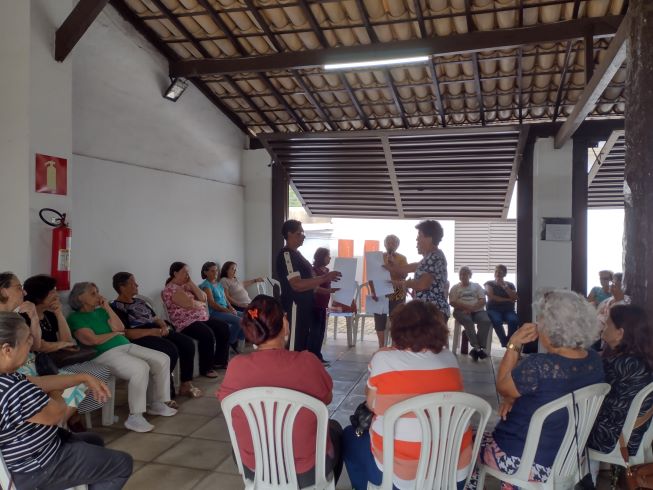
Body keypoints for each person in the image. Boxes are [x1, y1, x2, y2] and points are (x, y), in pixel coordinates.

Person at [466, 290, 604, 489]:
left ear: (551, 327)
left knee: (464, 440)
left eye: (540, 320)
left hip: (524, 460)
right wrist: (512, 398)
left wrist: (514, 344)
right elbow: (547, 392)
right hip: (566, 459)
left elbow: (503, 386)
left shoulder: (539, 366)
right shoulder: (593, 360)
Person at [342, 300, 472, 489]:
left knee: (349, 436)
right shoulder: (449, 358)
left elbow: (371, 405)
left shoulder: (383, 358)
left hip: (399, 478)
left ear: (398, 328)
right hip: (452, 474)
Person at [218, 295, 343, 487]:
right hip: (308, 471)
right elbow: (327, 398)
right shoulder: (308, 362)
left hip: (254, 469)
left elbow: (226, 403)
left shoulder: (236, 367)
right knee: (336, 429)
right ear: (285, 323)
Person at [0, 312, 133, 490]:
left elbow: (40, 382)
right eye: (27, 340)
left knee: (93, 440)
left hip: (29, 454)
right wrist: (57, 391)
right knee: (122, 464)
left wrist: (83, 377)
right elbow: (58, 414)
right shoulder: (13, 388)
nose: (31, 345)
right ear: (7, 350)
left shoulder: (7, 377)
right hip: (37, 466)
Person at [68, 282, 177, 433]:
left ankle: (157, 402)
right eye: (93, 293)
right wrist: (114, 334)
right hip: (103, 354)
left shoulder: (102, 312)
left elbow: (120, 328)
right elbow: (93, 340)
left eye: (97, 292)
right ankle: (135, 416)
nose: (98, 296)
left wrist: (107, 307)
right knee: (140, 368)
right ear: (80, 298)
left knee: (162, 359)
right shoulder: (75, 318)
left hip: (126, 346)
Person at [23, 274, 113, 427]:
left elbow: (68, 340)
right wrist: (60, 345)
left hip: (58, 359)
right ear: (39, 295)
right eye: (52, 291)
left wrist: (59, 314)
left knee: (97, 373)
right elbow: (38, 346)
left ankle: (71, 418)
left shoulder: (50, 315)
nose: (56, 295)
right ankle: (69, 421)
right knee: (80, 381)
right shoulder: (25, 317)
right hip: (42, 364)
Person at [111, 272, 202, 400]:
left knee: (187, 343)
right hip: (140, 336)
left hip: (157, 330)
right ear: (122, 287)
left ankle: (186, 384)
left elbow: (155, 318)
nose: (137, 285)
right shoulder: (116, 307)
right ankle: (165, 394)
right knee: (170, 350)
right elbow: (126, 332)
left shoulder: (139, 301)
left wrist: (163, 326)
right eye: (132, 283)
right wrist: (152, 332)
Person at [588, 305, 653, 459]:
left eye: (608, 323)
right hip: (635, 435)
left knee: (562, 425)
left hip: (612, 439)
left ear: (620, 333)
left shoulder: (621, 364)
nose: (603, 326)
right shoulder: (639, 359)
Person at [275, 219, 341, 356]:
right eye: (299, 233)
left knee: (302, 343)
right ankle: (291, 369)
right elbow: (296, 284)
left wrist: (327, 290)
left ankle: (301, 367)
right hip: (295, 306)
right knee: (294, 345)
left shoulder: (297, 254)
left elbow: (310, 283)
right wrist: (324, 278)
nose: (303, 236)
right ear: (289, 234)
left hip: (305, 306)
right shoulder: (287, 255)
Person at [162, 262, 230, 377]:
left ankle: (219, 361)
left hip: (200, 318)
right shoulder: (170, 289)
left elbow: (204, 298)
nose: (187, 275)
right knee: (207, 334)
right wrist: (200, 304)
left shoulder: (186, 286)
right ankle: (206, 368)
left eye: (188, 272)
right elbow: (189, 304)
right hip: (185, 322)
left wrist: (191, 283)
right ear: (175, 273)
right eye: (185, 272)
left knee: (223, 327)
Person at [385, 220, 450, 319]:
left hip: (432, 311)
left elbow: (422, 285)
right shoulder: (430, 257)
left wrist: (403, 283)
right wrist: (391, 266)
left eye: (420, 235)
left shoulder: (434, 257)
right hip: (428, 310)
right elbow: (406, 268)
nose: (417, 239)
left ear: (429, 238)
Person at [369, 234, 407, 348]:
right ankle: (381, 346)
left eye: (393, 243)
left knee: (396, 320)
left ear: (398, 245)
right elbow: (371, 275)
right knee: (379, 320)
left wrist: (394, 264)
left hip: (397, 293)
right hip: (380, 292)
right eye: (389, 242)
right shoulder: (378, 257)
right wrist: (373, 291)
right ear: (385, 244)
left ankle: (394, 346)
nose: (391, 245)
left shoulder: (402, 258)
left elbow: (404, 275)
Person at [198, 261, 245, 353]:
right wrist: (227, 310)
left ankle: (237, 343)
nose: (215, 273)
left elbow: (225, 298)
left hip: (224, 310)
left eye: (216, 270)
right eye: (212, 271)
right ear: (205, 272)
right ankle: (230, 343)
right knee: (240, 321)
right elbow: (212, 304)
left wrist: (231, 307)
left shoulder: (218, 283)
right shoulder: (206, 285)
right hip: (215, 312)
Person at [449, 266, 492, 360]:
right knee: (467, 320)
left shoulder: (476, 286)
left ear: (470, 275)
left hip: (477, 310)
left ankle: (477, 349)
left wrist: (471, 309)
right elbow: (452, 302)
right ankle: (477, 348)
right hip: (461, 311)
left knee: (486, 320)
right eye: (461, 274)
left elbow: (483, 300)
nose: (462, 276)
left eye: (465, 274)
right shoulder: (455, 288)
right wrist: (465, 308)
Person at [312, 248, 339, 364]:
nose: (330, 258)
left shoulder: (327, 271)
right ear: (321, 257)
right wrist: (328, 291)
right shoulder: (313, 270)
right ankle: (313, 357)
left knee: (321, 332)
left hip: (323, 305)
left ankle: (318, 355)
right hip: (315, 305)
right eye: (328, 256)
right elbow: (315, 288)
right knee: (315, 332)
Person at [484, 264, 520, 347]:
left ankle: (510, 342)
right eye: (496, 271)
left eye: (500, 272)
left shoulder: (510, 285)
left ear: (504, 274)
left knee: (514, 320)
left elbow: (515, 297)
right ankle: (505, 343)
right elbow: (491, 297)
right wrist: (508, 299)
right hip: (493, 309)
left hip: (508, 310)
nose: (497, 274)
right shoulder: (489, 283)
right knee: (496, 321)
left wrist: (505, 287)